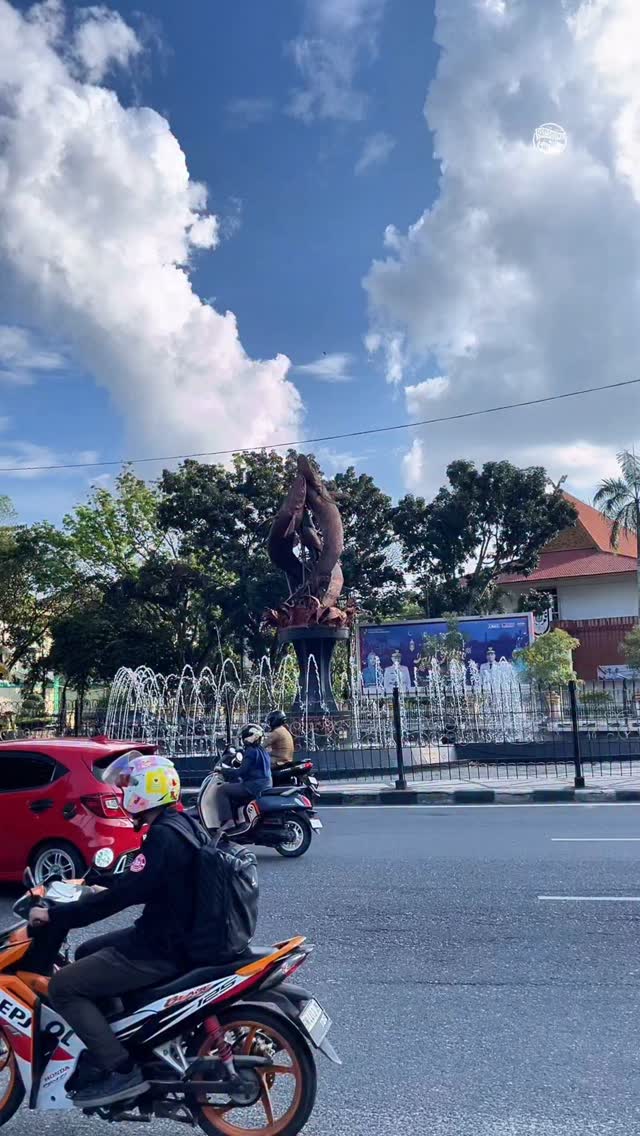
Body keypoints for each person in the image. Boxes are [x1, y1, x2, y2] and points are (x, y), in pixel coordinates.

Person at [29, 752, 204, 1111]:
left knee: (63, 987)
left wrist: (59, 917)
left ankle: (120, 1068)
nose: (123, 794)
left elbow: (124, 897)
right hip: (176, 936)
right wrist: (96, 884)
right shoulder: (180, 825)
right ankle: (122, 1034)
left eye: (129, 787)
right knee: (86, 952)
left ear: (147, 791)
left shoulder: (163, 837)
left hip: (158, 948)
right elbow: (140, 880)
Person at [216, 723, 272, 832]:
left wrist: (223, 770)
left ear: (249, 737)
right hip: (265, 784)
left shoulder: (251, 751)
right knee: (235, 788)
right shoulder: (262, 750)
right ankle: (240, 819)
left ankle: (229, 821)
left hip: (254, 786)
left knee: (222, 790)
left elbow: (240, 772)